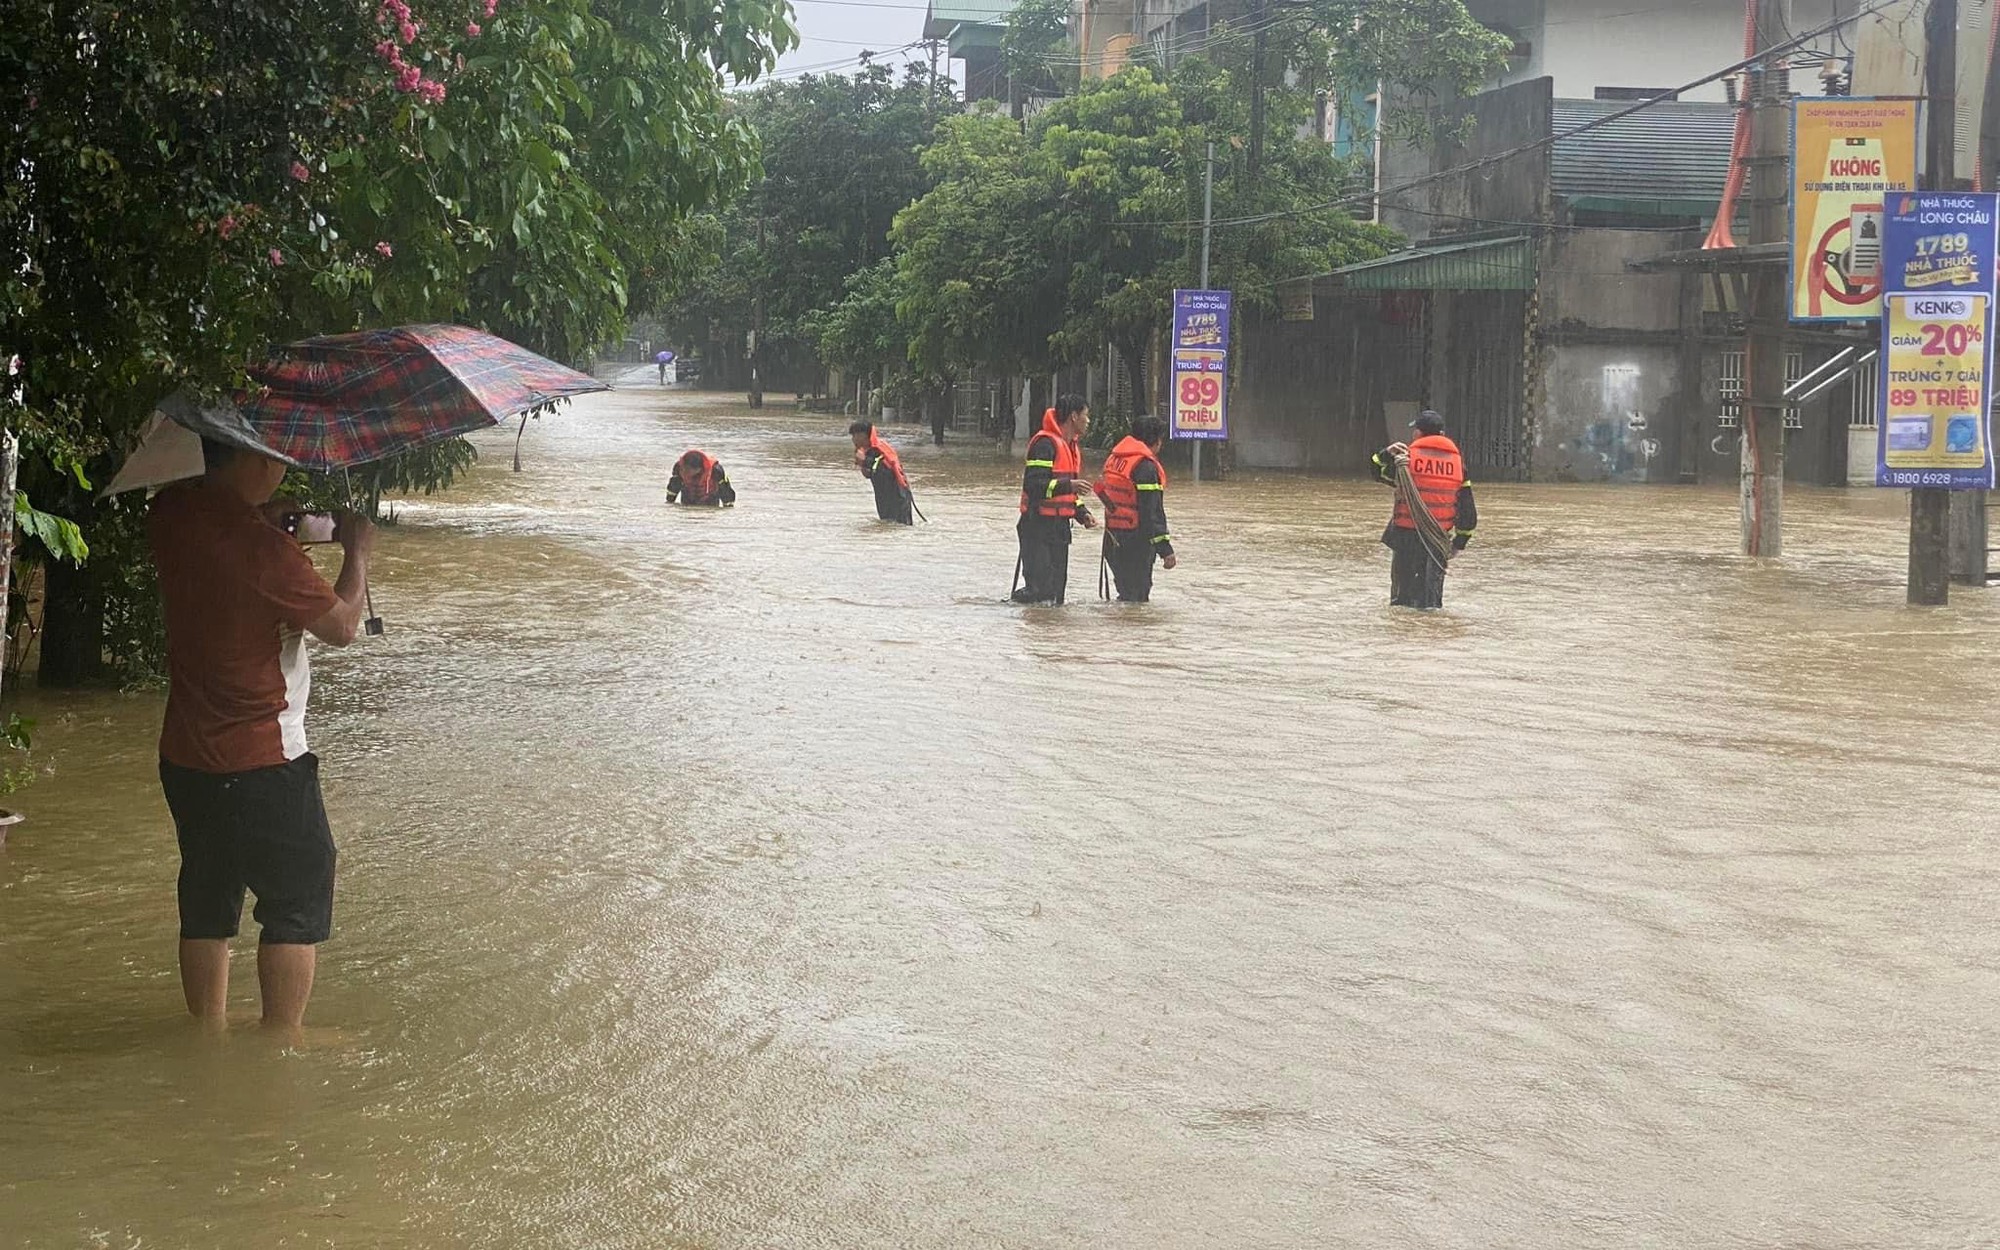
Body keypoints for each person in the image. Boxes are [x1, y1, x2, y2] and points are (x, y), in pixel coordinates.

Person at [147, 438, 374, 1036]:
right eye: (277, 456)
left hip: (186, 754)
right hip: (263, 758)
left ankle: (208, 1034)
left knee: (206, 894)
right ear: (252, 459)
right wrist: (359, 553)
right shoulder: (265, 552)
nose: (283, 468)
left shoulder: (169, 511)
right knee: (297, 897)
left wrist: (268, 523)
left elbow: (224, 558)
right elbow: (343, 626)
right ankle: (283, 1041)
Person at [1371, 410, 1477, 610]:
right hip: (1437, 541)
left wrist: (1385, 453)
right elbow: (1468, 512)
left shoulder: (1405, 461)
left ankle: (1403, 634)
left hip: (1405, 537)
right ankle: (1430, 635)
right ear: (1442, 435)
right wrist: (1459, 543)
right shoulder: (1458, 466)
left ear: (1418, 434)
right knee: (1431, 604)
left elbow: (1376, 472)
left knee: (1401, 603)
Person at [1011, 394, 1095, 604]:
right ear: (1074, 417)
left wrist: (1082, 513)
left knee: (1056, 595)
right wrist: (1070, 485)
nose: (1088, 421)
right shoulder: (1045, 445)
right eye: (1086, 415)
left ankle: (1052, 634)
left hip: (1059, 528)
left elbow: (1067, 495)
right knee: (1040, 592)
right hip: (1037, 525)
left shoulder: (1070, 447)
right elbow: (1035, 486)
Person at [1094, 414, 1178, 602]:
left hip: (1112, 539)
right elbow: (1151, 512)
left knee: (1126, 595)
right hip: (1136, 542)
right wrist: (1165, 549)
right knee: (1137, 599)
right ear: (1156, 441)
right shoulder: (1146, 467)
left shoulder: (1115, 459)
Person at [850, 420, 913, 525]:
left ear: (863, 435)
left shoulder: (877, 450)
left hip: (896, 496)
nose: (853, 439)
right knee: (888, 525)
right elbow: (870, 474)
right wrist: (862, 463)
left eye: (855, 436)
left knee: (897, 525)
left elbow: (883, 471)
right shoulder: (870, 450)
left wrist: (864, 461)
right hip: (888, 496)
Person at [667, 449, 736, 507]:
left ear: (700, 468)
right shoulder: (678, 468)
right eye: (684, 469)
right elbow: (672, 489)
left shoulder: (716, 470)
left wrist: (728, 509)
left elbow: (727, 494)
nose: (685, 472)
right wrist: (670, 504)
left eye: (688, 470)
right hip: (688, 499)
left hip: (710, 500)